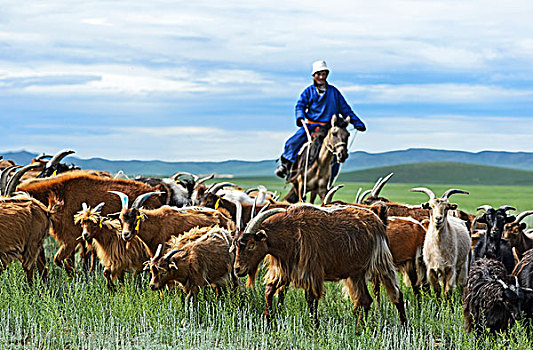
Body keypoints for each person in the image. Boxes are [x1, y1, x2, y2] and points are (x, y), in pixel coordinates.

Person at [275, 60, 366, 178]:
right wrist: (300, 117)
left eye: (324, 74)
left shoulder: (334, 92)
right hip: (311, 126)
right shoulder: (308, 91)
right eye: (318, 74)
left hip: (329, 127)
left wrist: (357, 123)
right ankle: (286, 166)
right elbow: (300, 105)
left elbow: (345, 109)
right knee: (292, 142)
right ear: (314, 76)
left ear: (327, 75)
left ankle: (330, 176)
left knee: (337, 148)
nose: (321, 77)